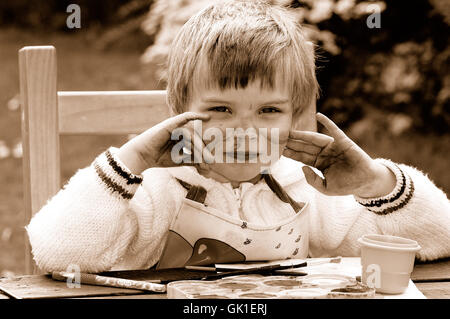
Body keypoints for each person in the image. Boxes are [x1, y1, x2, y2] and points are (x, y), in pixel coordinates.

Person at [26, 0, 450, 273]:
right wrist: (130, 162)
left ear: (296, 118)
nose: (244, 130)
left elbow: (438, 240)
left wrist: (377, 183)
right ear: (179, 115)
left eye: (268, 111)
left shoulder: (304, 188)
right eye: (220, 110)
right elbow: (56, 254)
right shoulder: (157, 191)